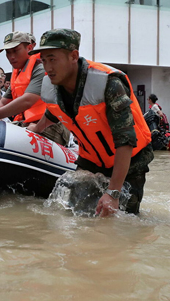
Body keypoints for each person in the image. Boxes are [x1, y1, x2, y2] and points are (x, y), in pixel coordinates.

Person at [27, 29, 153, 216]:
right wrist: (35, 130)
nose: (48, 68)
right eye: (43, 60)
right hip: (91, 160)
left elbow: (125, 140)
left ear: (73, 56)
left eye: (52, 59)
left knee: (120, 222)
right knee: (75, 215)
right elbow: (53, 113)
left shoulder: (108, 83)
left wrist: (113, 192)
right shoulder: (51, 85)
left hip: (130, 161)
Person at [0, 31, 70, 146]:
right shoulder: (17, 74)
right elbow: (3, 102)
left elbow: (28, 100)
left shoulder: (40, 68)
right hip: (28, 122)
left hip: (52, 124)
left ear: (29, 48)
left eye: (16, 51)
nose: (11, 57)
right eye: (8, 52)